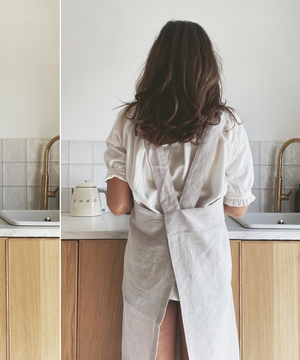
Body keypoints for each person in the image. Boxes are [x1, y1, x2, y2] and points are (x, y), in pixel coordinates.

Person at [104, 20, 255, 360]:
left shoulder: (131, 121)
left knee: (149, 350)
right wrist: (199, 214)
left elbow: (117, 204)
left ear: (155, 65)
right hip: (204, 263)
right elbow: (239, 205)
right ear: (207, 69)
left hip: (148, 264)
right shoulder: (227, 125)